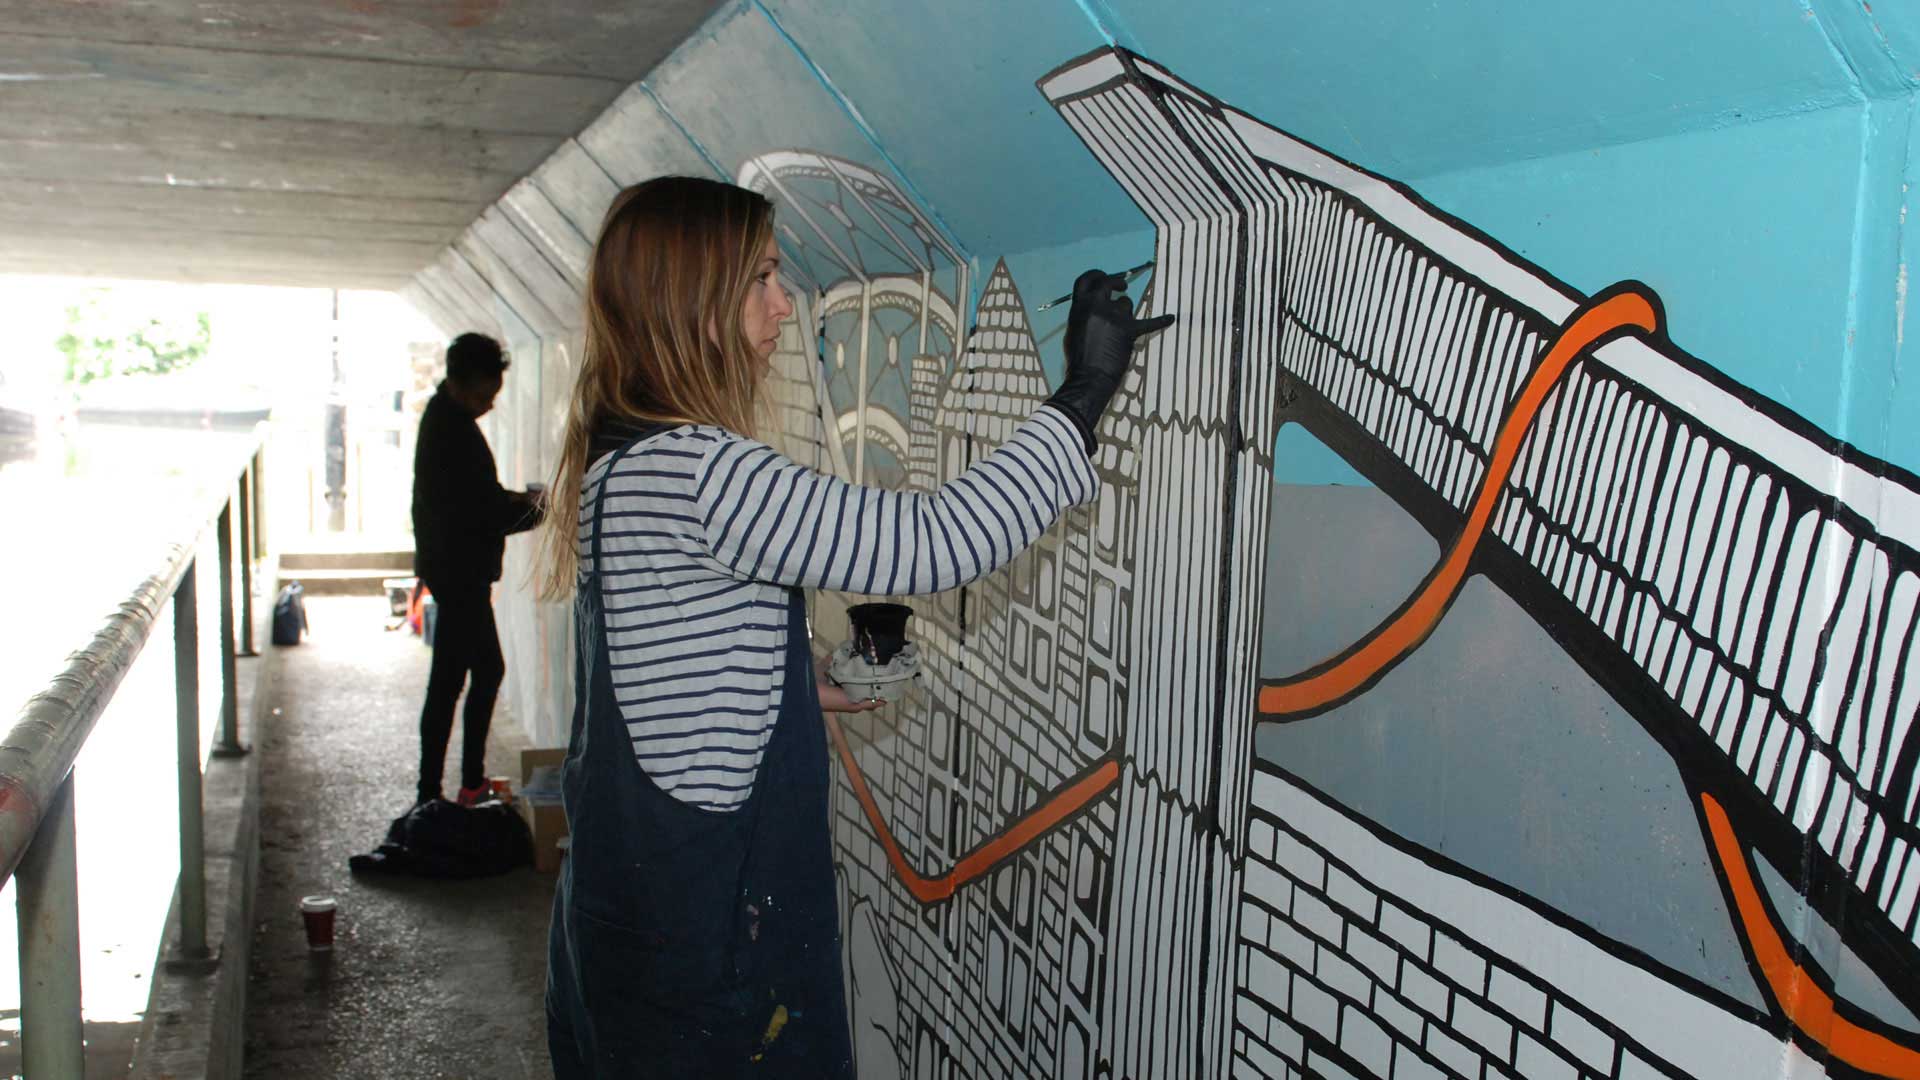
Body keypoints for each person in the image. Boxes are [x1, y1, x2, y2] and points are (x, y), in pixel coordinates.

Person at [536, 175, 1172, 1077]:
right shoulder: (703, 472)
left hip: (625, 939)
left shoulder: (620, 462)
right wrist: (1084, 395)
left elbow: (671, 643)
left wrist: (792, 677)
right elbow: (932, 542)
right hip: (709, 968)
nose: (784, 306)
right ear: (696, 304)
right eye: (760, 278)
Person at [411, 332, 543, 806]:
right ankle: (450, 789)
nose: (489, 405)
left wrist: (520, 502)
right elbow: (480, 510)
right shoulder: (453, 433)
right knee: (468, 676)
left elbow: (479, 499)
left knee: (467, 676)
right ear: (463, 383)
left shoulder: (446, 417)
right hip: (458, 571)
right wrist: (537, 509)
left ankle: (457, 785)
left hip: (453, 568)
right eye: (486, 395)